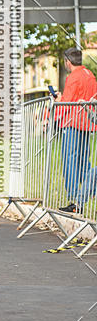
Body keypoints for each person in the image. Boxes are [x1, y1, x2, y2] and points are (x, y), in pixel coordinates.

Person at [55, 48, 97, 213]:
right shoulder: (90, 74)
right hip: (87, 124)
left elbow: (67, 102)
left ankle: (74, 198)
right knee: (83, 161)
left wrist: (58, 103)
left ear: (67, 61)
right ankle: (91, 192)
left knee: (70, 161)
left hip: (72, 123)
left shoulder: (73, 77)